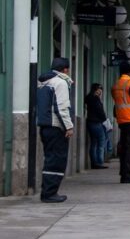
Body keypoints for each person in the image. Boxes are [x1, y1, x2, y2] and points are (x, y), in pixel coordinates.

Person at [36, 57, 75, 203]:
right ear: (65, 69)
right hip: (56, 126)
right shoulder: (60, 83)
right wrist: (69, 126)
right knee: (57, 160)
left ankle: (47, 191)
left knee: (50, 159)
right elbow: (62, 107)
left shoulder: (42, 82)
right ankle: (50, 193)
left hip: (45, 126)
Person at [84, 83, 109, 169]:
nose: (101, 91)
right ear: (95, 89)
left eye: (101, 89)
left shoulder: (88, 98)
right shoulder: (95, 99)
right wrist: (104, 118)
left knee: (94, 143)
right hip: (96, 122)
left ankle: (94, 163)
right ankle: (99, 162)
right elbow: (100, 111)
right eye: (99, 89)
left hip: (91, 122)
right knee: (101, 142)